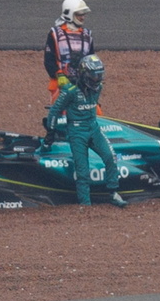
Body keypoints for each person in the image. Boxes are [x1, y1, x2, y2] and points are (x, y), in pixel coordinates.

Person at [44, 54, 128, 208]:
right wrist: (50, 132)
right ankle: (85, 204)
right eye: (94, 75)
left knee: (110, 157)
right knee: (82, 170)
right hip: (77, 132)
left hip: (94, 127)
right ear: (85, 74)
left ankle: (113, 193)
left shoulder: (98, 88)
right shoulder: (70, 91)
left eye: (99, 75)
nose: (97, 79)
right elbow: (54, 111)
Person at [44, 0, 95, 105]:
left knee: (94, 115)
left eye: (83, 14)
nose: (83, 17)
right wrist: (59, 75)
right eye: (79, 14)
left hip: (84, 86)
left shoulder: (87, 35)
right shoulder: (55, 34)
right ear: (69, 14)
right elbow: (49, 60)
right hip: (61, 86)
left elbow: (91, 59)